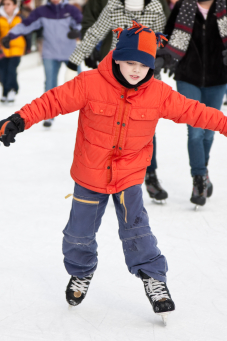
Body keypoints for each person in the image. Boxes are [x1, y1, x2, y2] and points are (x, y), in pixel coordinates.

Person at [0, 22, 227, 323]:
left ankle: (154, 279)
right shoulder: (90, 83)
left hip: (129, 177)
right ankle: (81, 273)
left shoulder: (158, 94)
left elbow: (198, 112)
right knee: (78, 235)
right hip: (90, 175)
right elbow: (52, 101)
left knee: (138, 233)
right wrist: (18, 119)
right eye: (130, 62)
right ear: (117, 57)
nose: (136, 70)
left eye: (143, 64)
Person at [67, 0, 169, 202]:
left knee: (145, 129)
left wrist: (162, 58)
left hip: (144, 78)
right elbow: (96, 31)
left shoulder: (156, 8)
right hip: (116, 76)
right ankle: (110, 176)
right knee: (112, 127)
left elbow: (163, 40)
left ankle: (150, 175)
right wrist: (75, 59)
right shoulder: (114, 6)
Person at [156, 0, 227, 206]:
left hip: (218, 76)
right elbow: (167, 35)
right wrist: (162, 58)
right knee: (196, 130)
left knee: (209, 129)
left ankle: (203, 171)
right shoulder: (183, 6)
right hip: (188, 76)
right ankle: (198, 179)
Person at [1, 0, 83, 127]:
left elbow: (82, 23)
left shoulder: (71, 9)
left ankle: (89, 110)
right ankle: (49, 115)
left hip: (70, 53)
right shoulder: (41, 11)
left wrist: (78, 31)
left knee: (81, 82)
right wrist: (10, 35)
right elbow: (26, 25)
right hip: (50, 53)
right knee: (50, 84)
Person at [0, 0, 26, 103]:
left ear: (14, 5)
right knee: (2, 72)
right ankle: (6, 90)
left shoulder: (20, 17)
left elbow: (26, 32)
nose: (6, 6)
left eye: (8, 4)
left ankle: (11, 90)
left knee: (11, 70)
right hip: (2, 49)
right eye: (4, 4)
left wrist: (27, 47)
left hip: (17, 48)